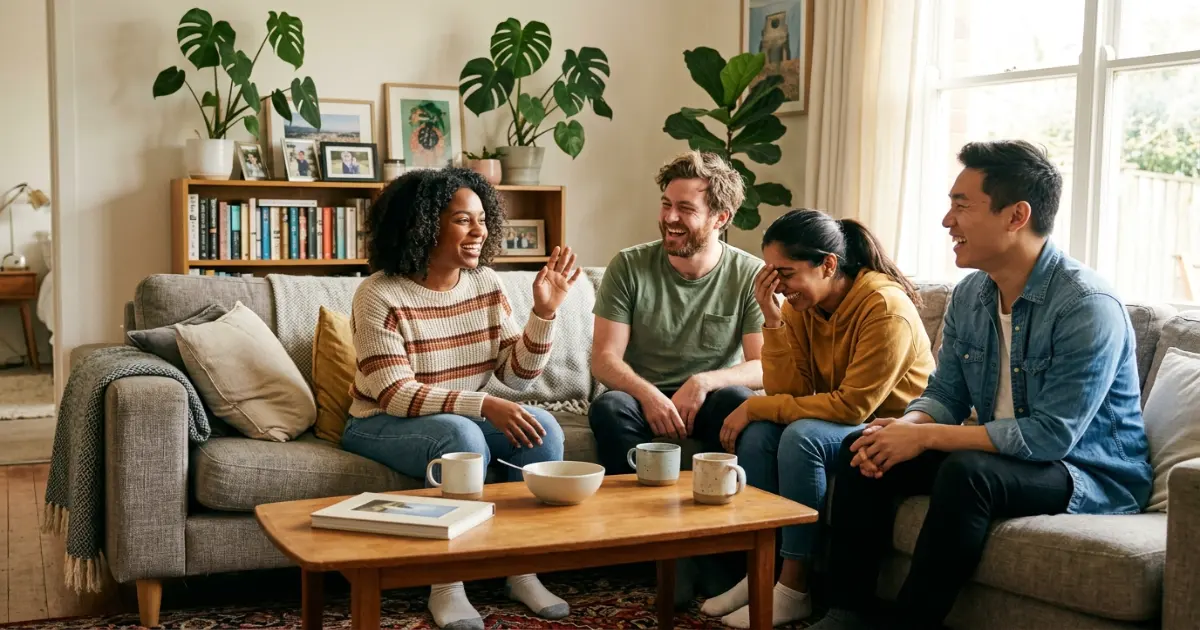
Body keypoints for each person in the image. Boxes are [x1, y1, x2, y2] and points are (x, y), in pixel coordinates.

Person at [808, 140, 1154, 630]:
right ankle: (845, 612)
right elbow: (947, 393)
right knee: (864, 448)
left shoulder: (1086, 305)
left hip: (1086, 471)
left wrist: (925, 437)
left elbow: (1051, 437)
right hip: (1007, 456)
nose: (948, 221)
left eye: (961, 206)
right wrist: (907, 427)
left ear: (1016, 216)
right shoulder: (973, 293)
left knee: (968, 474)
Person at [340, 167, 581, 630]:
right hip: (377, 421)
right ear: (424, 225)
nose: (479, 231)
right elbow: (395, 394)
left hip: (454, 417)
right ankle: (446, 583)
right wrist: (484, 405)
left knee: (544, 427)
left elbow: (519, 375)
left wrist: (544, 313)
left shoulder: (486, 284)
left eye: (482, 219)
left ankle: (520, 567)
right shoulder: (378, 295)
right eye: (462, 220)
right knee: (460, 432)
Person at [700, 209, 935, 628]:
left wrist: (756, 405)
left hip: (893, 427)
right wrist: (772, 319)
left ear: (828, 263)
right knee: (758, 435)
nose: (780, 286)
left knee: (801, 436)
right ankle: (760, 572)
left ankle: (793, 588)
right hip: (840, 420)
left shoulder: (884, 307)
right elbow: (787, 391)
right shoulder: (800, 305)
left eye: (786, 274)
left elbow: (852, 408)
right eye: (771, 274)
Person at [588, 149, 765, 474]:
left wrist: (701, 382)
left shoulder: (750, 275)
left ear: (720, 218)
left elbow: (763, 365)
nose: (670, 218)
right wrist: (649, 396)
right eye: (667, 204)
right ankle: (635, 515)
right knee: (609, 407)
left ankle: (719, 508)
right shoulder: (628, 266)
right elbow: (603, 358)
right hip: (640, 397)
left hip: (711, 398)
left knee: (739, 401)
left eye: (685, 209)